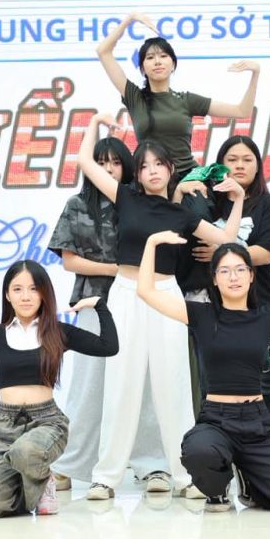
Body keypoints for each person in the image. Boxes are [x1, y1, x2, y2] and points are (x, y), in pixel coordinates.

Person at [76, 113, 245, 500]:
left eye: (159, 164)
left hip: (167, 295)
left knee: (173, 384)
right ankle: (106, 477)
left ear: (171, 170)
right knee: (121, 382)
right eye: (144, 165)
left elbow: (226, 239)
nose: (152, 171)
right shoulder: (126, 197)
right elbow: (85, 161)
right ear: (137, 173)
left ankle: (186, 476)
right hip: (126, 292)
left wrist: (236, 201)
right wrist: (95, 122)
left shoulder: (182, 213)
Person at [138, 233, 270, 512]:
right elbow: (146, 291)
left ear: (251, 276)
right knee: (200, 451)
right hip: (217, 419)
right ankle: (217, 489)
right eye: (225, 271)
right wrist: (151, 243)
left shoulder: (267, 318)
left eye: (240, 269)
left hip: (257, 421)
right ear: (214, 279)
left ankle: (249, 480)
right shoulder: (201, 315)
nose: (233, 277)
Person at [0, 260, 119, 517]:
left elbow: (109, 346)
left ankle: (45, 483)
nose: (26, 296)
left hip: (47, 423)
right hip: (4, 425)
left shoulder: (58, 332)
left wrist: (99, 306)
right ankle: (23, 490)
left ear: (43, 293)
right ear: (7, 295)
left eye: (33, 289)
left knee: (26, 451)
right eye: (17, 289)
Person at [48, 135, 169, 492]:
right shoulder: (77, 205)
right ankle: (71, 463)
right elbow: (70, 261)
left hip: (139, 301)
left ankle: (152, 466)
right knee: (89, 386)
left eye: (116, 162)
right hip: (94, 302)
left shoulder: (138, 203)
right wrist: (118, 270)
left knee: (144, 385)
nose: (109, 169)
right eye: (101, 162)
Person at [184, 135, 270, 425]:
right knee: (212, 386)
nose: (240, 165)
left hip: (260, 307)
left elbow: (266, 253)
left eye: (247, 159)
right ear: (221, 165)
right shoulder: (208, 204)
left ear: (258, 166)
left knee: (264, 385)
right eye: (232, 160)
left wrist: (222, 253)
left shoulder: (269, 206)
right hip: (214, 312)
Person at [95, 12, 260, 178]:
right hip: (151, 178)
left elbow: (242, 111)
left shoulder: (186, 100)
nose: (157, 61)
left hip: (188, 178)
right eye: (150, 57)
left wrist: (255, 74)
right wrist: (130, 19)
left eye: (163, 56)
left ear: (173, 64)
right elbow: (103, 52)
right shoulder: (135, 97)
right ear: (143, 68)